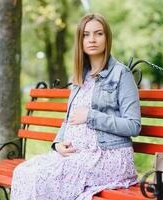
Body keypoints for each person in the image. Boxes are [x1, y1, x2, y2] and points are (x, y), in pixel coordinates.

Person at [10, 13, 141, 200]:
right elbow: (68, 119)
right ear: (79, 41)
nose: (92, 40)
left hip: (108, 157)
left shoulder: (121, 74)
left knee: (42, 177)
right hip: (76, 156)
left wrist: (91, 116)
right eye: (86, 35)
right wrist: (57, 144)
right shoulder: (80, 77)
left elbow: (133, 125)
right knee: (24, 171)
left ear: (107, 38)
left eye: (98, 34)